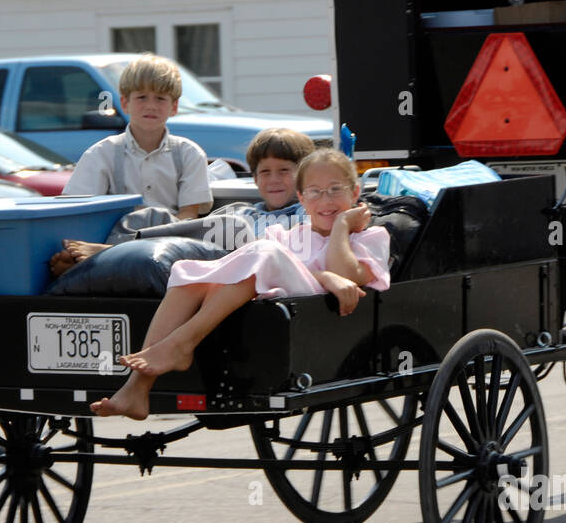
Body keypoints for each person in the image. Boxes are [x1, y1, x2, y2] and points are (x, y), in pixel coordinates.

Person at [90, 148, 388, 420]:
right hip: (270, 308)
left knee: (264, 253)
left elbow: (348, 276)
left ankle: (182, 344)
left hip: (314, 319)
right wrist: (324, 277)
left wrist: (341, 227)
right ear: (301, 198)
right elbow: (281, 273)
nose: (326, 200)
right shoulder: (287, 235)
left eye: (336, 190)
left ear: (355, 193)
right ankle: (137, 388)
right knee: (186, 271)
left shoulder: (371, 237)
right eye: (315, 191)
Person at [50, 127, 315, 275]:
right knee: (157, 217)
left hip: (238, 269)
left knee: (228, 228)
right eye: (265, 172)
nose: (273, 180)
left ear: (304, 175)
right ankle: (109, 254)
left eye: (284, 171)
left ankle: (107, 255)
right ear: (255, 179)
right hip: (207, 261)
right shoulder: (242, 211)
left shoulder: (307, 213)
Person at [54, 53, 211, 269]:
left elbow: (188, 217)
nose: (151, 106)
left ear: (174, 107)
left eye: (160, 98)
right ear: (125, 103)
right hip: (115, 238)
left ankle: (100, 258)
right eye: (142, 97)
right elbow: (80, 212)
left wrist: (147, 238)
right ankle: (97, 259)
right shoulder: (101, 153)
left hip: (169, 244)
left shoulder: (189, 154)